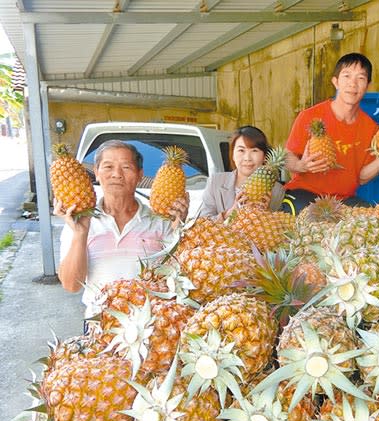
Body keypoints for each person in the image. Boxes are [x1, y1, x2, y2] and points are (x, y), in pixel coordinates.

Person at [55, 139, 189, 319]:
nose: (116, 174)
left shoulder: (161, 223)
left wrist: (179, 229)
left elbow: (178, 280)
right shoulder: (77, 223)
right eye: (108, 167)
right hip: (100, 324)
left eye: (126, 167)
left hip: (152, 325)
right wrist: (81, 234)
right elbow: (71, 285)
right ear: (96, 172)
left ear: (140, 174)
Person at [283, 52, 379, 213]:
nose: (353, 84)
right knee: (309, 219)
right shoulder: (310, 116)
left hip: (344, 199)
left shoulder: (370, 127)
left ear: (368, 85)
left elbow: (362, 177)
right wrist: (300, 165)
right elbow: (287, 156)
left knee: (372, 219)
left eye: (360, 78)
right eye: (346, 76)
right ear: (336, 82)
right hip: (304, 193)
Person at [199, 125, 285, 220]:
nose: (247, 158)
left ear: (264, 156)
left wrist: (267, 214)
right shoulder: (215, 182)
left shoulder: (277, 190)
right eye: (241, 150)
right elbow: (202, 222)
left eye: (254, 151)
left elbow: (279, 229)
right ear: (232, 154)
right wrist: (230, 213)